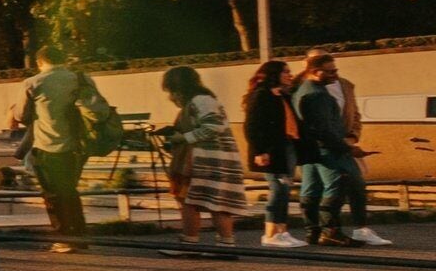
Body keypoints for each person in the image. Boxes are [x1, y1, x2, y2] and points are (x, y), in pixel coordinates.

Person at [16, 42, 117, 252]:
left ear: (39, 62)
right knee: (70, 191)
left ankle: (64, 238)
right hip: (78, 147)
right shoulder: (81, 78)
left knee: (53, 194)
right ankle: (80, 237)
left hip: (48, 146)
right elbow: (99, 110)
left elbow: (21, 116)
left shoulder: (34, 82)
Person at [293, 52, 387, 247]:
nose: (335, 75)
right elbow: (324, 128)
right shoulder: (316, 94)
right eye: (330, 71)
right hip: (329, 150)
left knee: (312, 188)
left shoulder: (302, 89)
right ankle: (330, 231)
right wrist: (348, 148)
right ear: (315, 71)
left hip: (314, 150)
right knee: (339, 184)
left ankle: (313, 231)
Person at [157, 65, 247, 246]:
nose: (170, 96)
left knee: (190, 201)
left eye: (171, 90)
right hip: (211, 159)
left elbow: (214, 126)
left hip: (204, 160)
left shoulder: (200, 100)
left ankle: (190, 242)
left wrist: (183, 137)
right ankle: (226, 244)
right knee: (216, 203)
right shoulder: (203, 100)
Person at [243, 57, 305, 248]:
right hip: (271, 150)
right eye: (285, 71)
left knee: (285, 189)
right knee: (278, 189)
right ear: (274, 74)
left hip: (286, 146)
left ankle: (282, 231)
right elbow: (252, 126)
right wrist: (260, 151)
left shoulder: (281, 95)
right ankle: (270, 234)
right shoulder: (261, 95)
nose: (289, 75)